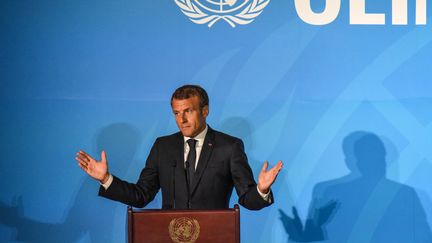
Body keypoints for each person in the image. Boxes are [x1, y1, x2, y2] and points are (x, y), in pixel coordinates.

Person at [76, 85, 283, 210]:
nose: (181, 119)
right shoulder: (163, 147)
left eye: (188, 111)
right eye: (176, 113)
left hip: (215, 235)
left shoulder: (229, 146)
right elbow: (141, 196)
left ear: (205, 111)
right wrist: (105, 179)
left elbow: (247, 199)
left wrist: (261, 189)